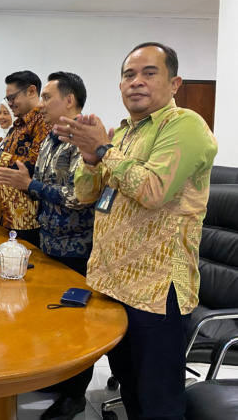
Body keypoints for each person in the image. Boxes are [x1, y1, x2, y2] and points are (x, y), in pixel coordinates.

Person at [57, 43, 218, 419]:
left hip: (159, 290)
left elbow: (153, 191)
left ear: (174, 83)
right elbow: (86, 194)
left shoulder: (185, 125)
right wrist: (89, 157)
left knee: (159, 403)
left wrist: (103, 149)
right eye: (129, 74)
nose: (137, 82)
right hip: (114, 285)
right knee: (130, 388)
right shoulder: (122, 133)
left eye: (149, 73)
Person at [0, 71, 95, 420]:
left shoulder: (84, 140)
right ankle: (59, 379)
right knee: (51, 318)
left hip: (77, 247)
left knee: (76, 324)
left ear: (69, 100)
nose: (42, 104)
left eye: (48, 97)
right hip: (49, 241)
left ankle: (75, 396)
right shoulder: (53, 137)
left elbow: (79, 197)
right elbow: (39, 178)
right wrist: (21, 177)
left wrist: (31, 186)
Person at [0, 71, 51, 247]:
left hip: (27, 219)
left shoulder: (42, 122)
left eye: (12, 97)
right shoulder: (17, 126)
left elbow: (36, 165)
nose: (10, 103)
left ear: (31, 91)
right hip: (5, 215)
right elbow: (2, 168)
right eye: (7, 98)